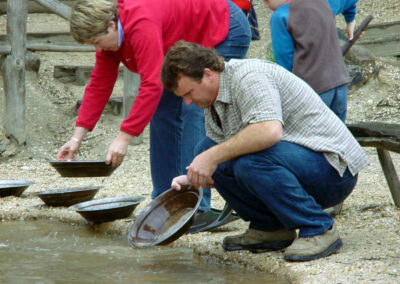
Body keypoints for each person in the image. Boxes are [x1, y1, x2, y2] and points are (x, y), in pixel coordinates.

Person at [162, 41, 369, 261]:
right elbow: (219, 159)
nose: (187, 102)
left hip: (334, 171)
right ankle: (270, 228)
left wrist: (210, 158)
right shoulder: (214, 102)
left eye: (189, 93)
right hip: (298, 165)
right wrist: (193, 176)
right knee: (206, 148)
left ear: (208, 75)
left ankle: (318, 227)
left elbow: (269, 132)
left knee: (245, 161)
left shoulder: (249, 77)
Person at [56, 0, 251, 212]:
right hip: (181, 41)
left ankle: (197, 206)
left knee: (193, 108)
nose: (98, 48)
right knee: (162, 113)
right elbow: (99, 83)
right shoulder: (109, 37)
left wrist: (124, 137)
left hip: (223, 27)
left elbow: (151, 84)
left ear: (112, 25)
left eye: (97, 41)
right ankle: (164, 200)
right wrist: (77, 138)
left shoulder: (140, 22)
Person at [264, 0, 360, 122]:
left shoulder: (281, 16)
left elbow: (284, 61)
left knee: (312, 138)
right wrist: (350, 19)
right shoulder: (324, 2)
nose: (265, 5)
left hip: (311, 89)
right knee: (338, 136)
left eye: (266, 0)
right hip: (339, 83)